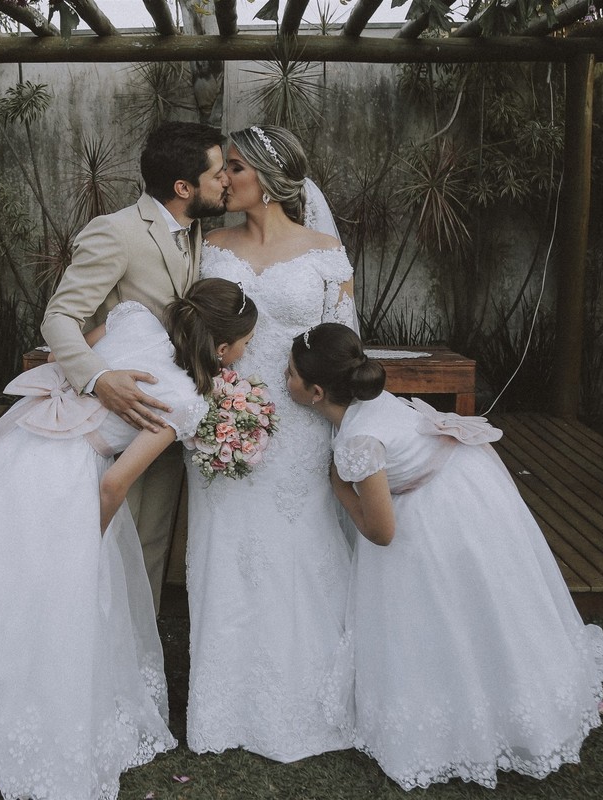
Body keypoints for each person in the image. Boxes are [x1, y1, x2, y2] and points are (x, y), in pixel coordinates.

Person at [0, 279, 257, 800]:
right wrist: (90, 539)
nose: (247, 351)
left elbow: (75, 359)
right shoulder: (184, 398)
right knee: (56, 601)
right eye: (246, 343)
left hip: (16, 449)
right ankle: (30, 718)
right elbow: (114, 483)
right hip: (62, 480)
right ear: (222, 349)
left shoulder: (133, 319)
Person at [287, 323, 603, 789]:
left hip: (439, 514)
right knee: (480, 603)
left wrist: (339, 488)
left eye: (290, 374)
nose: (285, 379)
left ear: (316, 391)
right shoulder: (375, 402)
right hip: (469, 488)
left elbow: (383, 533)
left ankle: (485, 711)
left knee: (447, 607)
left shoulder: (357, 442)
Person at [184, 124, 358, 761]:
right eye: (223, 168)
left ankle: (311, 699)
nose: (223, 178)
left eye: (234, 167)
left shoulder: (324, 252)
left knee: (298, 553)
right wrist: (215, 397)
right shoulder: (206, 246)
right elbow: (191, 335)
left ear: (268, 176)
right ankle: (225, 710)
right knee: (227, 554)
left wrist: (332, 412)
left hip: (300, 429)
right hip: (220, 424)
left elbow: (340, 347)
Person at [42, 121, 229, 612]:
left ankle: (135, 658)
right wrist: (99, 379)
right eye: (217, 175)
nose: (226, 180)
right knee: (107, 545)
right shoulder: (116, 231)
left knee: (149, 544)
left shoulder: (197, 232)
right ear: (183, 188)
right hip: (119, 417)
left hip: (167, 417)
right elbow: (59, 318)